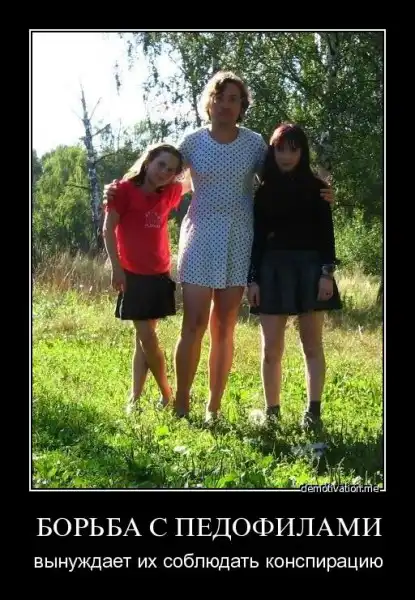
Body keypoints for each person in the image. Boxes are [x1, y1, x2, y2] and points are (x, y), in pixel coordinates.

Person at [104, 71, 335, 423]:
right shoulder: (192, 142)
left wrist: (320, 190)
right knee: (193, 324)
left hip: (240, 238)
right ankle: (182, 403)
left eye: (233, 99)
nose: (226, 105)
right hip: (200, 237)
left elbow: (282, 176)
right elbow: (161, 173)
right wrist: (120, 189)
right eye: (220, 97)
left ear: (242, 106)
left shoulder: (254, 143)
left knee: (224, 327)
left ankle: (213, 407)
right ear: (209, 102)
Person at [247, 123, 342, 429]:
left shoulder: (319, 189)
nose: (286, 156)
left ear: (302, 152)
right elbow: (256, 240)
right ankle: (272, 414)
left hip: (311, 269)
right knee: (270, 349)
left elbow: (326, 236)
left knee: (312, 346)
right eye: (280, 149)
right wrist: (252, 279)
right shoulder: (263, 192)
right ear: (272, 151)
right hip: (271, 270)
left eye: (293, 149)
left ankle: (313, 413)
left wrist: (327, 274)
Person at [102, 143, 190, 414]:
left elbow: (195, 177)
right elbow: (107, 229)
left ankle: (135, 397)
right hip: (133, 275)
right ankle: (166, 393)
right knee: (147, 338)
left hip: (159, 274)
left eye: (171, 170)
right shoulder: (123, 191)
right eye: (161, 164)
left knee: (143, 340)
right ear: (148, 161)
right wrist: (116, 268)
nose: (164, 172)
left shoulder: (170, 192)